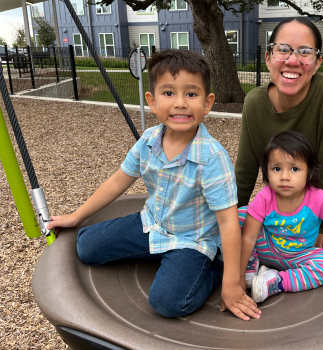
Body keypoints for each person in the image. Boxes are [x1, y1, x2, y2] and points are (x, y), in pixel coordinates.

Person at [47, 49, 260, 321]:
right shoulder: (148, 141)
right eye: (169, 93)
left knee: (167, 302)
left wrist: (232, 284)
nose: (180, 103)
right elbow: (117, 181)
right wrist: (76, 216)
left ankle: (212, 269)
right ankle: (160, 255)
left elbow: (228, 222)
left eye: (191, 94)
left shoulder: (212, 158)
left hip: (192, 240)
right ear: (152, 101)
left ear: (207, 103)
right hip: (153, 224)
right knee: (86, 246)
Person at [236, 17, 323, 253]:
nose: (293, 60)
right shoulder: (254, 103)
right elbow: (245, 170)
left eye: (304, 52)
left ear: (316, 63)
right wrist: (231, 220)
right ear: (268, 57)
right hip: (284, 198)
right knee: (280, 260)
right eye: (283, 49)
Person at [238, 131, 323, 303]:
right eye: (276, 169)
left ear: (309, 172)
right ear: (267, 172)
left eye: (294, 169)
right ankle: (250, 267)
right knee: (241, 214)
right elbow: (249, 237)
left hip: (298, 255)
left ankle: (276, 281)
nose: (284, 177)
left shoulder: (319, 199)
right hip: (266, 247)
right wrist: (238, 276)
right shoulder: (265, 196)